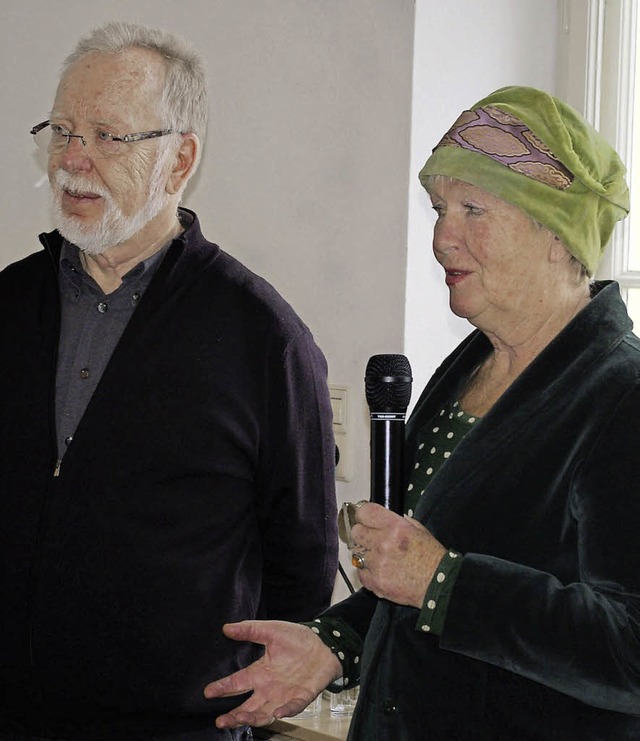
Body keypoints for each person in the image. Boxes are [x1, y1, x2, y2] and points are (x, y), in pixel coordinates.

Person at [204, 86, 640, 739]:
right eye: (440, 209)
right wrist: (335, 645)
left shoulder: (620, 396)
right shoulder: (466, 373)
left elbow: (628, 650)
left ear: (558, 231)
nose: (441, 238)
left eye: (473, 210)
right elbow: (416, 581)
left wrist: (444, 582)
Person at [0, 21, 338, 741]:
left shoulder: (263, 338)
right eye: (61, 131)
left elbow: (303, 571)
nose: (72, 159)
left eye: (107, 136)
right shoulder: (6, 305)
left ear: (180, 158)